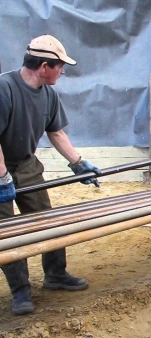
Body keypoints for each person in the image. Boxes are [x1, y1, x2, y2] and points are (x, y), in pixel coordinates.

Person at [0, 35, 102, 316]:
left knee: (47, 220)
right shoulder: (4, 88)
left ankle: (56, 274)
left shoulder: (48, 93)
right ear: (44, 66)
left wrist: (78, 163)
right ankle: (20, 291)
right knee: (7, 232)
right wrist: (2, 177)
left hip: (26, 163)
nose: (64, 71)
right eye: (60, 66)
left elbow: (55, 131)